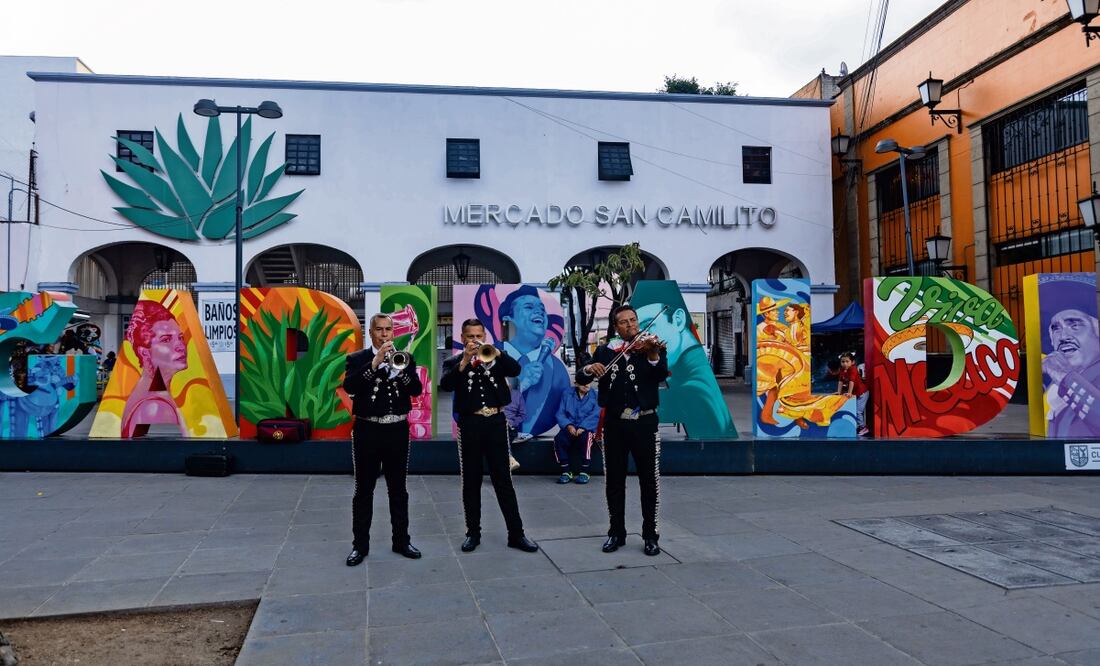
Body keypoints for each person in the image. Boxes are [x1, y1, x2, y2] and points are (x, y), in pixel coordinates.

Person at [440, 318, 538, 554]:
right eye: (470, 336)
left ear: (484, 336)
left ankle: (516, 534)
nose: (475, 340)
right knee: (471, 481)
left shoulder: (496, 357)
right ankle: (472, 533)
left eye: (478, 336)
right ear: (462, 338)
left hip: (496, 422)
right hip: (470, 423)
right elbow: (446, 384)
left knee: (503, 480)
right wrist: (465, 360)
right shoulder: (454, 362)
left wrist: (498, 353)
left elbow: (516, 370)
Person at [577, 304, 668, 556]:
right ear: (616, 327)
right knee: (614, 481)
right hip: (615, 425)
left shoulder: (653, 346)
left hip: (644, 423)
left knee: (649, 481)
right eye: (624, 322)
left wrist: (652, 354)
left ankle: (650, 535)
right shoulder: (605, 351)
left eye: (633, 320)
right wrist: (589, 369)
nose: (631, 326)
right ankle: (616, 532)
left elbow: (661, 373)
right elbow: (582, 378)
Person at [342, 313, 424, 566]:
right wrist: (375, 363)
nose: (385, 334)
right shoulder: (357, 359)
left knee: (398, 489)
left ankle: (401, 541)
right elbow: (350, 387)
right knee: (363, 490)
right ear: (371, 333)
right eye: (379, 329)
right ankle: (359, 546)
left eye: (388, 329)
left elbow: (416, 389)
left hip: (397, 429)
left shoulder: (405, 358)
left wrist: (400, 371)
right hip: (367, 430)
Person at [635, 299, 735, 439]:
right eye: (639, 333)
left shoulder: (695, 382)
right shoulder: (683, 370)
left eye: (648, 327)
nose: (643, 340)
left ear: (678, 320)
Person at [500, 285, 571, 436]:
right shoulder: (490, 356)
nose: (539, 312)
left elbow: (563, 408)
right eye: (529, 307)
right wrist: (520, 384)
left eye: (542, 309)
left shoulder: (558, 369)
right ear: (508, 319)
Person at [121, 300, 188, 438]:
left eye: (180, 337)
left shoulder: (151, 393)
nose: (180, 346)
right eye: (166, 340)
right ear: (145, 352)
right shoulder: (155, 404)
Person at [1043, 309, 1100, 437]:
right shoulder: (1053, 381)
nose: (1063, 337)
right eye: (1056, 329)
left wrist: (1064, 377)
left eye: (1075, 326)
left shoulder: (1065, 379)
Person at [553, 382, 600, 484]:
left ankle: (584, 472)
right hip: (571, 427)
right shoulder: (567, 393)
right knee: (559, 438)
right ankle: (566, 472)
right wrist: (568, 425)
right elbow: (560, 413)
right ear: (576, 383)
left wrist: (583, 427)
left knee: (586, 438)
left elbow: (596, 414)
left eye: (589, 382)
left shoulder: (596, 395)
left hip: (587, 428)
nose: (586, 385)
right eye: (583, 382)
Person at [836, 352, 869, 436]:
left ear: (852, 362)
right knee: (855, 411)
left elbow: (852, 381)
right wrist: (839, 391)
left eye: (847, 361)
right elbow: (840, 381)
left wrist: (849, 392)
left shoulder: (853, 369)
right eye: (843, 361)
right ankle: (859, 426)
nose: (845, 364)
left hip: (862, 393)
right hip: (856, 394)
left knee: (858, 411)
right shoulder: (842, 370)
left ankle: (863, 427)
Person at [503, 376, 526, 471]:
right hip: (496, 424)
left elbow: (522, 415)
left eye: (508, 385)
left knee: (503, 436)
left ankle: (509, 460)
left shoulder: (517, 395)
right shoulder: (493, 394)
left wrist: (512, 422)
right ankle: (510, 459)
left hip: (511, 427)